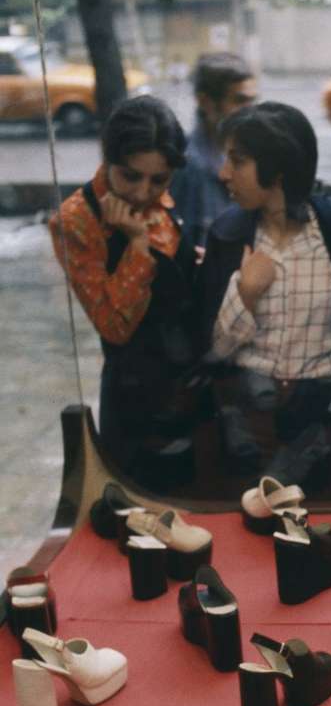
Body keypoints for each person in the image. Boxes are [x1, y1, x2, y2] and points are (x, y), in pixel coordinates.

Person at [197, 101, 331, 499]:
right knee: (248, 539)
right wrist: (246, 292)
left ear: (277, 170)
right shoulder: (228, 236)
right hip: (249, 420)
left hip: (326, 414)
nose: (224, 173)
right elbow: (214, 348)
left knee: (325, 534)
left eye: (237, 161)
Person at [50, 95, 200, 485]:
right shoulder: (77, 220)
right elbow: (114, 326)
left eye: (159, 180)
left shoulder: (162, 197)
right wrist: (137, 246)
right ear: (108, 157)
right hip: (138, 395)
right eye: (130, 176)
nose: (142, 192)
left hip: (192, 379)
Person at [172, 52, 258, 251]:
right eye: (240, 101)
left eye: (252, 100)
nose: (251, 110)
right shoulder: (185, 166)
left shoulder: (255, 156)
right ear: (205, 102)